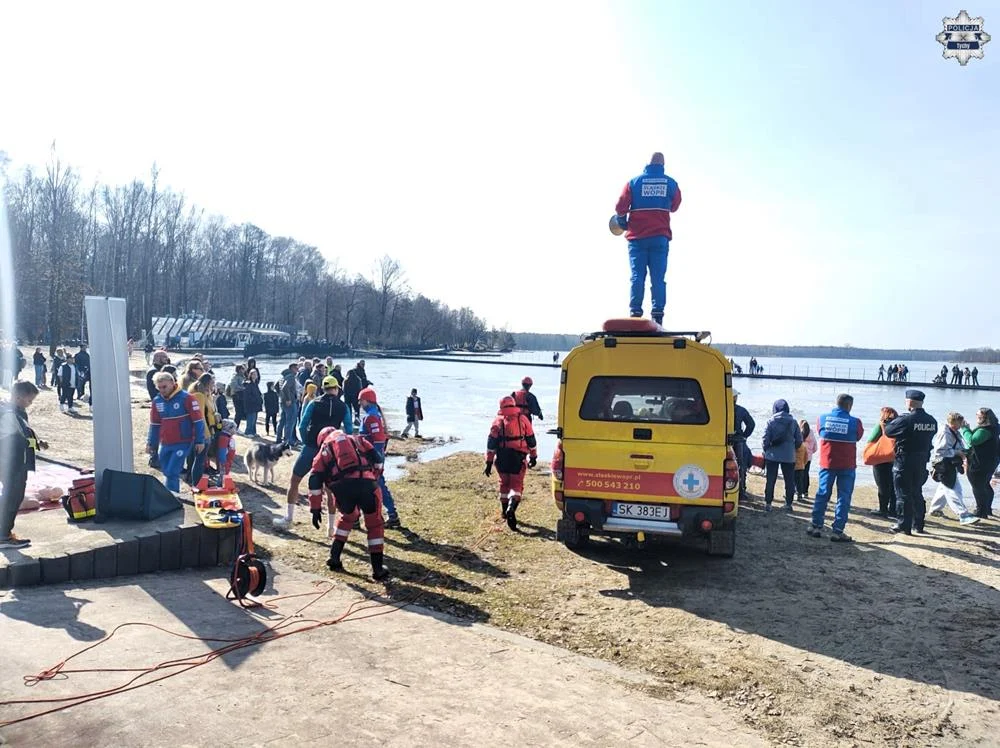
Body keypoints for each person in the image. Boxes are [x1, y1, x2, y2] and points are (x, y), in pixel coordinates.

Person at [307, 427, 389, 580]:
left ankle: (334, 557)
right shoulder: (357, 439)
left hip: (343, 489)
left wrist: (315, 508)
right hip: (367, 486)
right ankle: (377, 569)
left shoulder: (324, 450)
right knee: (375, 524)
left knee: (347, 517)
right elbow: (378, 460)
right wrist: (373, 478)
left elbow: (314, 479)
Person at [274, 376, 353, 530]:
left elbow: (302, 425)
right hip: (331, 450)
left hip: (311, 447)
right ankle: (331, 529)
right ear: (336, 389)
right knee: (331, 489)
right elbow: (349, 430)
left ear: (323, 389)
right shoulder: (343, 407)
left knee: (295, 480)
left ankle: (288, 518)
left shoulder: (313, 403)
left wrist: (307, 441)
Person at [613, 152, 682, 325]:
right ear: (663, 165)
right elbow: (675, 206)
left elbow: (620, 206)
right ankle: (657, 314)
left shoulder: (633, 183)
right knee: (658, 278)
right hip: (659, 237)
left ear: (647, 164)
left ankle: (635, 312)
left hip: (637, 238)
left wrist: (622, 221)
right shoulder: (671, 183)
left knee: (637, 276)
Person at [807, 394, 864, 542]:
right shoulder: (855, 422)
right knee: (843, 497)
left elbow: (820, 432)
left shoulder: (822, 418)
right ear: (849, 406)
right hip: (847, 465)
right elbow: (858, 436)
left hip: (827, 463)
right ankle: (837, 530)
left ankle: (816, 525)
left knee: (822, 493)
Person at [0, 382, 48, 548]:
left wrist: (38, 443)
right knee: (12, 497)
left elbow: (25, 433)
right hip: (11, 462)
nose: (30, 404)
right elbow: (19, 438)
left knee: (12, 496)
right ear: (19, 397)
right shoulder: (9, 414)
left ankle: (4, 533)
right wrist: (35, 443)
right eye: (29, 400)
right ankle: (3, 536)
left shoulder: (17, 412)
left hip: (15, 460)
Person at [884, 390, 938, 536]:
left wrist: (890, 421)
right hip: (921, 460)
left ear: (909, 402)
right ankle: (918, 524)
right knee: (917, 492)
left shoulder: (906, 419)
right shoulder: (931, 420)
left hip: (904, 459)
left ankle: (903, 525)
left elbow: (888, 431)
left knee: (902, 494)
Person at [147, 371, 206, 495]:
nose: (162, 390)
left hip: (183, 441)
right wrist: (151, 443)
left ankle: (172, 497)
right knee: (166, 470)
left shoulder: (187, 398)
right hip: (165, 442)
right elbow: (155, 424)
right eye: (159, 387)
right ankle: (170, 495)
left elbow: (198, 421)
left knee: (172, 471)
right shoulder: (157, 401)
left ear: (173, 383)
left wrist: (200, 440)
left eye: (165, 387)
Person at [485, 395, 538, 530]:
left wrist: (489, 463)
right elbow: (531, 440)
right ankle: (511, 508)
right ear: (514, 404)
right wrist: (533, 457)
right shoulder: (523, 419)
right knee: (516, 485)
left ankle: (504, 511)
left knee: (504, 484)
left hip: (502, 458)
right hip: (518, 458)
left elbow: (491, 444)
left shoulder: (497, 421)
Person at [359, 386, 400, 528]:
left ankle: (390, 515)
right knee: (373, 485)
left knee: (376, 485)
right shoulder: (374, 415)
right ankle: (387, 514)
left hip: (371, 458)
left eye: (361, 401)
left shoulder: (371, 417)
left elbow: (378, 440)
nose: (360, 404)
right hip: (372, 457)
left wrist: (376, 459)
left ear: (367, 401)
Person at [929, 413, 979, 525]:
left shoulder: (954, 431)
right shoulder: (945, 432)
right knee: (953, 489)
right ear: (953, 422)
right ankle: (963, 514)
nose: (962, 424)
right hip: (944, 464)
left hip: (950, 464)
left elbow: (960, 445)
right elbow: (940, 451)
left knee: (945, 487)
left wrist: (966, 430)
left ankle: (935, 509)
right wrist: (958, 453)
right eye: (960, 422)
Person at [761, 399, 802, 512]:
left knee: (770, 480)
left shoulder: (771, 421)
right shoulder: (793, 422)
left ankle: (768, 504)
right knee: (789, 480)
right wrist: (792, 449)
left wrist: (766, 450)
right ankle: (788, 504)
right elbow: (799, 440)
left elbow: (765, 439)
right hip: (789, 456)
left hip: (772, 455)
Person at [959, 407, 1000, 519]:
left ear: (984, 417)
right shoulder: (994, 427)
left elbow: (973, 440)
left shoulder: (985, 430)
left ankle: (981, 511)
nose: (976, 417)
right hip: (991, 461)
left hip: (980, 463)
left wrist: (964, 429)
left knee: (977, 486)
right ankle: (987, 509)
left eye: (978, 416)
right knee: (985, 485)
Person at [187, 372, 219, 487]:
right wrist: (205, 434)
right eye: (212, 383)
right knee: (199, 460)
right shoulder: (199, 396)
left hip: (201, 430)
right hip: (202, 432)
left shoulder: (204, 394)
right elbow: (199, 416)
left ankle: (192, 479)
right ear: (207, 383)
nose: (214, 385)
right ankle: (197, 483)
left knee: (195, 458)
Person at [866, 406, 899, 518]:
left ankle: (883, 509)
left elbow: (870, 439)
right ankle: (893, 510)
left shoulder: (880, 426)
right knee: (894, 486)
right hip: (894, 458)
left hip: (880, 459)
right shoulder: (899, 426)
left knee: (882, 486)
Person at [732, 391, 755, 500]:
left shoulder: (719, 408)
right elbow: (751, 424)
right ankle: (741, 491)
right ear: (735, 398)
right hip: (738, 441)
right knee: (741, 466)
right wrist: (744, 436)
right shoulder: (741, 410)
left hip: (722, 441)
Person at [794, 419, 817, 501]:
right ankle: (805, 491)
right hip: (809, 457)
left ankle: (797, 491)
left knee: (798, 474)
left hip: (800, 456)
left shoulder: (799, 433)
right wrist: (810, 453)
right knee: (806, 474)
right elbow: (815, 447)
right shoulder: (811, 433)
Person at [279, 364, 300, 445]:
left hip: (283, 402)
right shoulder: (291, 377)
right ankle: (288, 441)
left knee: (282, 421)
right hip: (290, 402)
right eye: (296, 368)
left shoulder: (284, 376)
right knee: (290, 422)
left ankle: (279, 438)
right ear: (292, 368)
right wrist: (288, 399)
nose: (297, 370)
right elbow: (285, 387)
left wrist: (282, 397)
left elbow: (277, 387)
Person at [242, 368, 263, 437]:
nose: (255, 375)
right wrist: (255, 400)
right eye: (253, 374)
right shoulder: (248, 384)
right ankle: (248, 432)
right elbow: (247, 396)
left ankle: (253, 432)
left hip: (256, 404)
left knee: (254, 419)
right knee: (250, 419)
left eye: (256, 374)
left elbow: (258, 393)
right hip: (250, 404)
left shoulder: (255, 383)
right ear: (250, 375)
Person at [228, 365, 247, 431]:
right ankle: (235, 427)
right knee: (238, 412)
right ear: (239, 369)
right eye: (243, 369)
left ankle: (236, 427)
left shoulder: (243, 376)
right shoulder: (235, 376)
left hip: (241, 396)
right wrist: (243, 388)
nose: (244, 370)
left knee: (241, 412)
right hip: (237, 396)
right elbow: (233, 385)